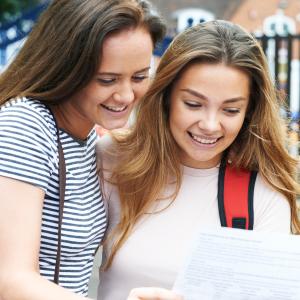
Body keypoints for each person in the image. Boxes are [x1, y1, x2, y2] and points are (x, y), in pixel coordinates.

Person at [96, 20, 300, 300]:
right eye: (193, 104)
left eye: (230, 110)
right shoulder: (111, 159)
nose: (210, 125)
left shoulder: (263, 192)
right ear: (165, 97)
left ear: (249, 112)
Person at [0, 0, 166, 299]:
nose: (127, 94)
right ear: (66, 67)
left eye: (140, 76)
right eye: (107, 79)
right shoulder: (25, 125)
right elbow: (9, 280)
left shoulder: (85, 138)